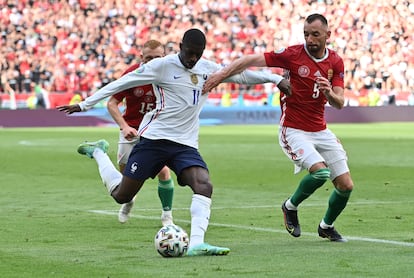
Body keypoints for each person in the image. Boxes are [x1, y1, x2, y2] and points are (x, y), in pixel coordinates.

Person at [57, 28, 291, 256]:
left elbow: (240, 76)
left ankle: (197, 244)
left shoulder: (206, 68)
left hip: (185, 144)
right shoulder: (161, 66)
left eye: (197, 54)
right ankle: (98, 152)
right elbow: (121, 83)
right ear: (180, 47)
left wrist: (273, 78)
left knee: (204, 185)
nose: (192, 58)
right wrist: (85, 104)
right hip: (154, 140)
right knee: (122, 196)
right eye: (189, 52)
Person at [203, 14, 354, 242]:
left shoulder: (336, 62)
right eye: (306, 34)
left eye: (315, 34)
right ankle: (290, 206)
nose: (310, 39)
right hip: (293, 129)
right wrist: (221, 75)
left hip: (320, 130)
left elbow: (340, 103)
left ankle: (326, 226)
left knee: (346, 186)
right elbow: (249, 60)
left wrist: (329, 93)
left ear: (327, 35)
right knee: (321, 172)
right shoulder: (292, 54)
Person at [106, 40, 174, 225]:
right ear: (141, 57)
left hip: (156, 131)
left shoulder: (171, 74)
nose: (153, 62)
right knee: (126, 176)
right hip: (131, 130)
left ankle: (167, 215)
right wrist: (124, 126)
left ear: (164, 57)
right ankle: (129, 201)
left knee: (163, 170)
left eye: (157, 58)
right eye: (149, 58)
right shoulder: (132, 74)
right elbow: (111, 103)